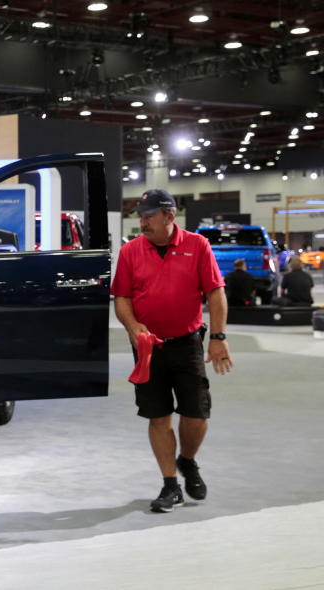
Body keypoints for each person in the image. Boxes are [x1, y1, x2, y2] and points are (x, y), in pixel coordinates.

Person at [110, 189, 232, 513]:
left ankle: (187, 460)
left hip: (188, 342)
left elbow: (215, 292)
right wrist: (133, 327)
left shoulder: (197, 245)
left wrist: (218, 336)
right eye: (140, 215)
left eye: (149, 215)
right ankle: (170, 485)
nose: (143, 221)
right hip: (149, 347)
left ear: (169, 215)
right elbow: (121, 297)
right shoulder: (131, 251)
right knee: (157, 415)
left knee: (197, 412)